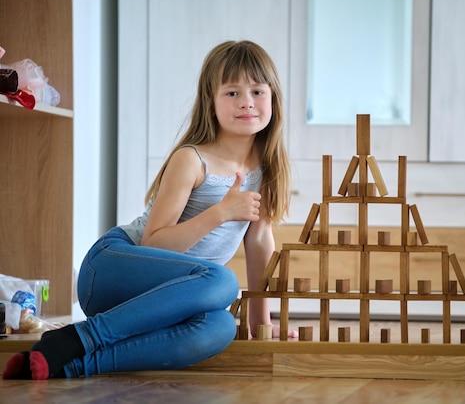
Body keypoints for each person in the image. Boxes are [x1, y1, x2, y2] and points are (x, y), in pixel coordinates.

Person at [2, 40, 296, 380]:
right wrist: (220, 212)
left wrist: (262, 324)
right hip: (111, 269)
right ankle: (80, 337)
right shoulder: (191, 159)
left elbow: (260, 243)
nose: (246, 102)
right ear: (211, 102)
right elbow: (153, 245)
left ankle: (65, 364)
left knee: (219, 327)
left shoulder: (268, 168)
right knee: (222, 282)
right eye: (232, 93)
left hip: (164, 301)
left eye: (258, 91)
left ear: (273, 97)